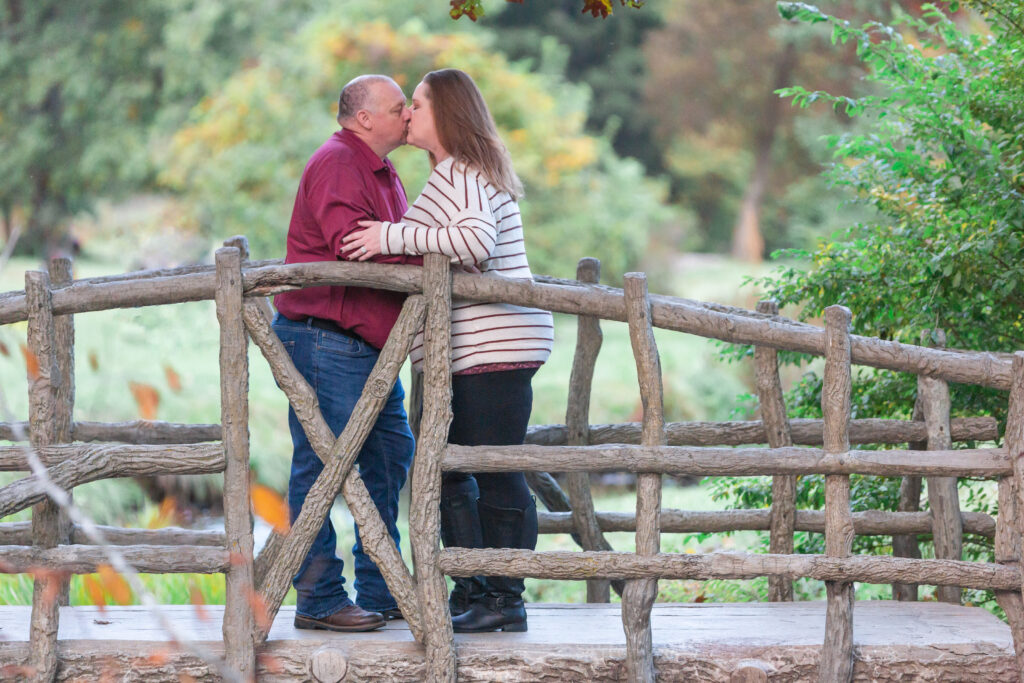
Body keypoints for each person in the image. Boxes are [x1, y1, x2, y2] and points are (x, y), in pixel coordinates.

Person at [343, 68, 554, 633]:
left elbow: (474, 241)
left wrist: (387, 236)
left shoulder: (460, 170)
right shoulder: (452, 173)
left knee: (490, 468)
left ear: (447, 113)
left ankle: (503, 600)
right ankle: (475, 589)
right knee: (454, 470)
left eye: (417, 103)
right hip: (471, 350)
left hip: (493, 347)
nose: (408, 113)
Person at [271, 74, 419, 632]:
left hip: (363, 344)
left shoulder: (380, 168)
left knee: (387, 455)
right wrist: (433, 263)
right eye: (398, 106)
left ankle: (381, 590)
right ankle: (319, 599)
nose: (407, 115)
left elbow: (390, 241)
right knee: (322, 469)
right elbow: (352, 247)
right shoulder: (339, 163)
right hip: (324, 336)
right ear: (364, 118)